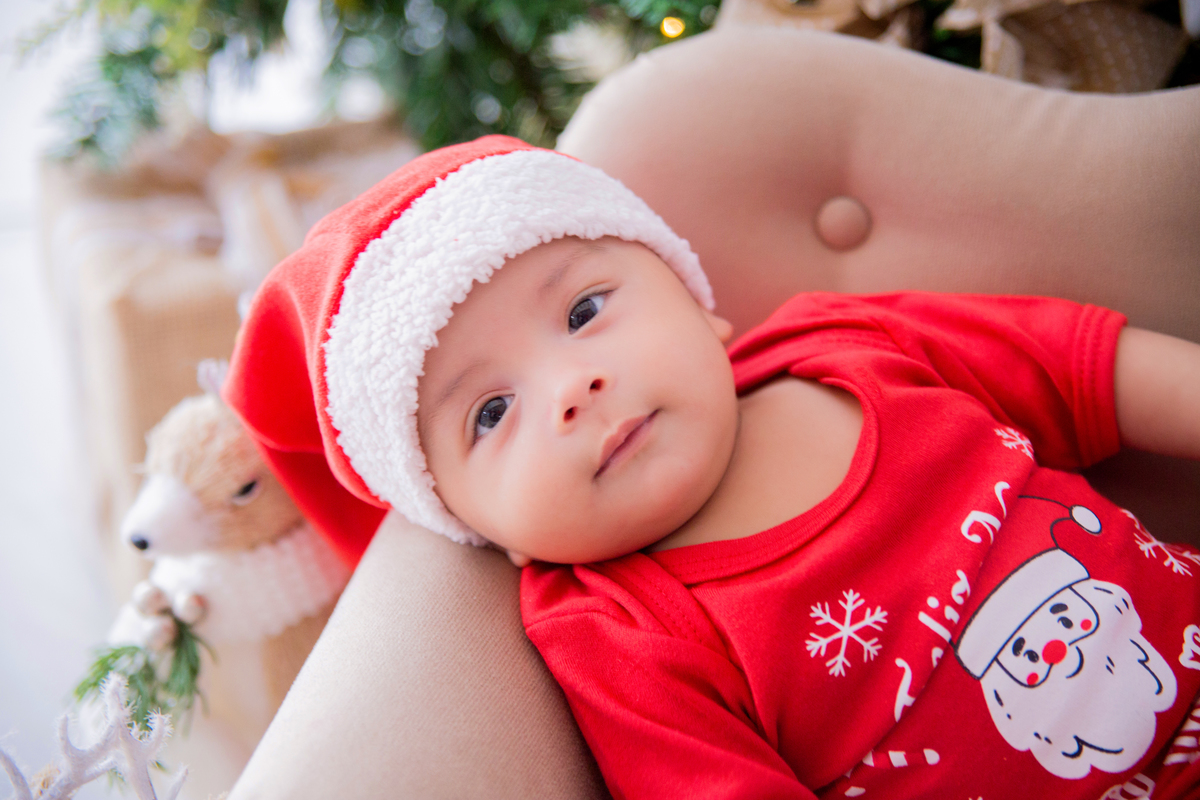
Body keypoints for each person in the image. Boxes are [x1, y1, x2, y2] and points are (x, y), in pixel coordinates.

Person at [225, 135, 1200, 799]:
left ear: (700, 303)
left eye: (583, 311)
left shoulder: (850, 345)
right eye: (490, 411)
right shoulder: (619, 626)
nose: (573, 386)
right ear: (474, 524)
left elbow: (1086, 367)